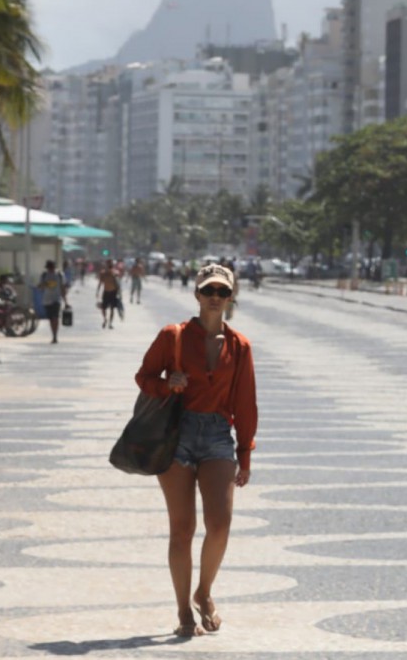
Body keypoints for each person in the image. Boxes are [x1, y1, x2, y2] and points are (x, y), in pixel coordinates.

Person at [134, 264, 257, 638]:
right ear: (197, 295)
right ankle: (183, 608)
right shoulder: (173, 336)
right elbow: (144, 377)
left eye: (222, 291)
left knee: (220, 523)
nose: (215, 297)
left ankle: (204, 592)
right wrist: (167, 383)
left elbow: (247, 404)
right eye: (209, 291)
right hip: (177, 433)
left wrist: (245, 453)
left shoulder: (239, 346)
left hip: (218, 434)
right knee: (182, 528)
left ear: (231, 296)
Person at [38, 260, 69, 344]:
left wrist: (66, 302)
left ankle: (55, 336)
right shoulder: (44, 275)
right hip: (47, 300)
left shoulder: (59, 275)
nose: (50, 269)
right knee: (51, 319)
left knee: (55, 318)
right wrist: (44, 284)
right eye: (49, 268)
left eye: (51, 268)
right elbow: (40, 287)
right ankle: (53, 334)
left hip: (56, 300)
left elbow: (63, 288)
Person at [96, 260, 121, 329]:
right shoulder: (104, 274)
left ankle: (110, 323)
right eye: (109, 266)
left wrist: (119, 294)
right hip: (106, 292)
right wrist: (97, 291)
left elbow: (118, 284)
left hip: (113, 292)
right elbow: (100, 283)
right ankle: (105, 319)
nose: (110, 268)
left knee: (112, 309)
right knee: (103, 308)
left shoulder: (115, 273)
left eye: (111, 266)